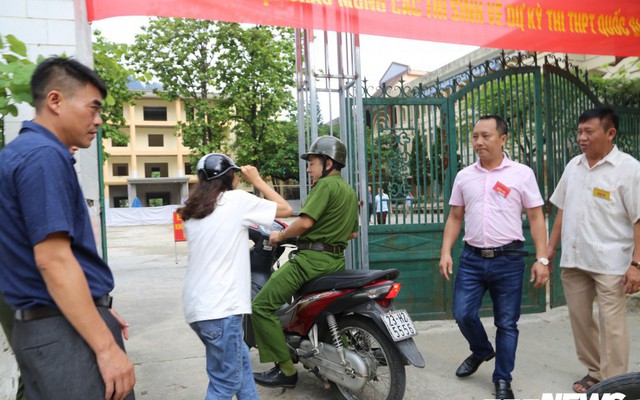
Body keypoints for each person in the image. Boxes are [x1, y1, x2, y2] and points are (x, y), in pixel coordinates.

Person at [0, 56, 135, 400]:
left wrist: (94, 303)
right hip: (64, 332)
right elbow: (54, 260)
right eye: (92, 108)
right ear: (55, 100)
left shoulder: (19, 153)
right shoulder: (43, 156)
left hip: (49, 327)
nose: (98, 120)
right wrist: (105, 348)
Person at [438, 115, 549, 400]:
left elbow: (536, 217)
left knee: (507, 323)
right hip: (472, 259)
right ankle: (482, 350)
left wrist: (542, 259)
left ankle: (503, 379)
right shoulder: (464, 176)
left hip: (509, 259)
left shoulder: (521, 174)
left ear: (503, 138)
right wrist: (446, 251)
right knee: (463, 313)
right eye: (475, 136)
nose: (478, 142)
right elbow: (455, 217)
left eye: (486, 136)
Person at [178, 153, 292, 399]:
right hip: (222, 310)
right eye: (236, 173)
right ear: (229, 176)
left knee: (241, 372)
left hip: (199, 309)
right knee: (225, 385)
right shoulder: (236, 201)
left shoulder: (193, 211)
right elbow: (285, 209)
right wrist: (258, 180)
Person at [251, 135, 359, 388]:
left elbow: (305, 222)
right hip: (336, 261)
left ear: (328, 162)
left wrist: (281, 235)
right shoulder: (349, 191)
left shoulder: (325, 186)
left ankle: (286, 370)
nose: (309, 169)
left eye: (312, 163)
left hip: (309, 262)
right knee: (319, 313)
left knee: (261, 307)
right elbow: (352, 233)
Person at [547, 106, 640, 393]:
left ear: (610, 133)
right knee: (580, 320)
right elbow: (561, 210)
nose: (582, 138)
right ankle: (595, 371)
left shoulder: (629, 169)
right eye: (579, 132)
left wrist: (636, 264)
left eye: (589, 131)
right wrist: (547, 252)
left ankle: (614, 383)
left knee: (612, 325)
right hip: (575, 260)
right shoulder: (573, 166)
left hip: (612, 262)